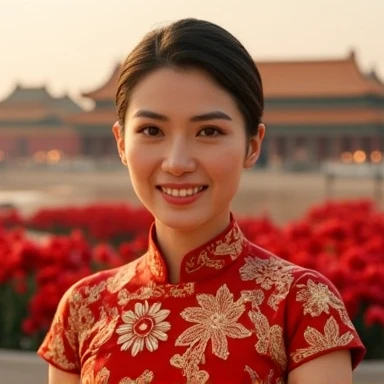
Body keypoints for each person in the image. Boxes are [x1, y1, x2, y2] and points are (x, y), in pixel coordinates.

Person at [37, 18, 365, 383]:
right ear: (120, 143)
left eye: (209, 131)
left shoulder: (303, 305)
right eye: (152, 131)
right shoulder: (84, 307)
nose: (177, 163)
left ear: (252, 145)